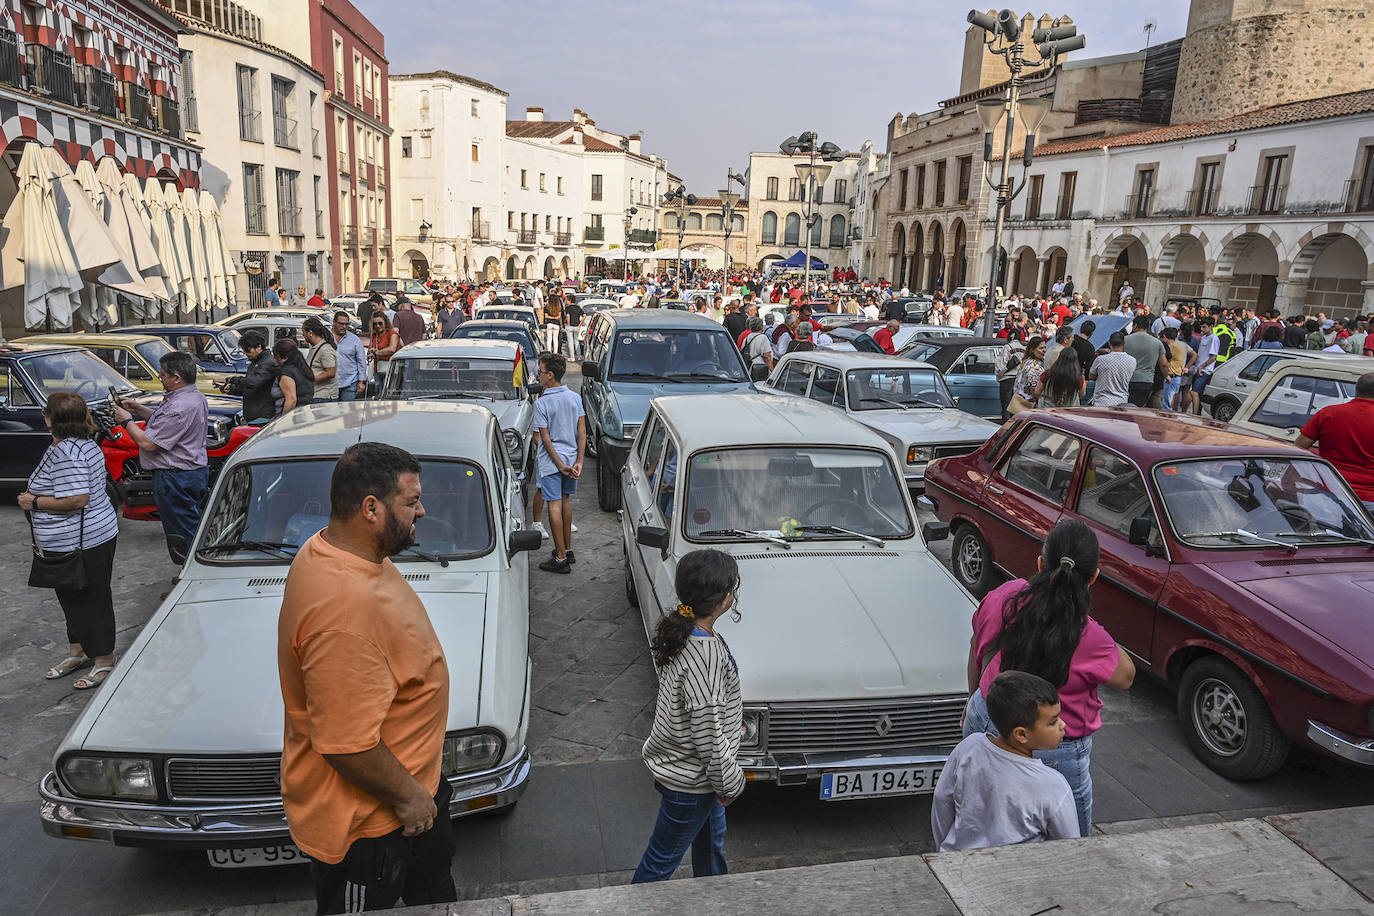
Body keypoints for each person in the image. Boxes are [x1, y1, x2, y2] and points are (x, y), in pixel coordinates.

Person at [278, 443, 457, 914]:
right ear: (370, 508)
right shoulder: (343, 607)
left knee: (435, 893)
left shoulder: (344, 550)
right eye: (411, 501)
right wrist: (411, 797)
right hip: (373, 826)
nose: (423, 509)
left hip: (411, 799)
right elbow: (344, 742)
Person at [961, 520, 1136, 837]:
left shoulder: (1004, 596)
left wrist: (974, 699)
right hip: (1053, 748)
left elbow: (977, 647)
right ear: (1093, 577)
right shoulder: (1088, 634)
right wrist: (1082, 616)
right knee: (1070, 845)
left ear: (1040, 563)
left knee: (982, 813)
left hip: (985, 716)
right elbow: (1126, 677)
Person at [632, 550, 745, 883]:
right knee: (658, 865)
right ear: (724, 599)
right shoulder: (704, 655)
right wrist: (731, 783)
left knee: (711, 846)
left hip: (696, 777)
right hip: (694, 784)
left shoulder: (684, 632)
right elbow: (708, 734)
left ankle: (713, 900)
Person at [20, 392, 121, 689]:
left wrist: (33, 502)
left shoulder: (69, 453)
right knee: (72, 597)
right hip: (81, 537)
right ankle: (77, 652)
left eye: (46, 412)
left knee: (92, 599)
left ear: (52, 420)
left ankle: (103, 659)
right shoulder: (77, 444)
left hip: (84, 541)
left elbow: (77, 499)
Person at [932, 671, 1079, 851]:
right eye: (1053, 722)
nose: (1063, 725)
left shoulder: (970, 745)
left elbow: (941, 800)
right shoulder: (1053, 785)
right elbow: (1070, 847)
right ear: (1021, 734)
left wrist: (945, 854)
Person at [112, 351, 210, 564]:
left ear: (177, 378)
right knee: (191, 525)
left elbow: (149, 443)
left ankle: (191, 574)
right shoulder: (193, 396)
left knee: (183, 532)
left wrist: (126, 421)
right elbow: (163, 423)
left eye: (163, 374)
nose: (160, 377)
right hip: (190, 473)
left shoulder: (179, 406)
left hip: (176, 478)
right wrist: (139, 409)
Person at [533, 353, 585, 574]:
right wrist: (579, 461)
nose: (539, 375)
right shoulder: (574, 398)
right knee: (565, 503)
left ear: (550, 375)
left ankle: (560, 557)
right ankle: (568, 549)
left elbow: (543, 439)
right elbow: (581, 431)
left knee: (553, 506)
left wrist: (557, 463)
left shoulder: (542, 402)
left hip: (551, 461)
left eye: (541, 371)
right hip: (572, 459)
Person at [1296, 372, 1374, 515]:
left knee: (1326, 536)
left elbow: (1299, 448)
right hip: (1369, 499)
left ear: (1357, 390)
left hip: (1328, 492)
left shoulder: (1328, 413)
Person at [218, 330, 278, 423]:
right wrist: (231, 390)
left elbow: (254, 382)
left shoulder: (268, 362)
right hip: (253, 415)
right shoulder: (255, 362)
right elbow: (248, 387)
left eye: (247, 350)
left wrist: (232, 380)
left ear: (259, 347)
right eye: (243, 350)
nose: (245, 353)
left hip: (263, 416)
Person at [1123, 316, 1167, 407]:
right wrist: (1166, 376)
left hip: (1127, 379)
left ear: (1135, 325)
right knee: (1139, 407)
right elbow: (1163, 364)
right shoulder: (1157, 342)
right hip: (1146, 380)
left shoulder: (1125, 340)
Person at [1088, 333, 1135, 408]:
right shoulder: (1132, 361)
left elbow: (1091, 376)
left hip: (1101, 402)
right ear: (1124, 343)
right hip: (1121, 403)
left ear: (1109, 343)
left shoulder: (1100, 359)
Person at [273, 338, 316, 414]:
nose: (274, 359)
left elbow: (291, 400)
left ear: (285, 358)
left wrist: (282, 420)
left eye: (276, 356)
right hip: (308, 411)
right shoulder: (303, 368)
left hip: (295, 416)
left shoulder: (286, 372)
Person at [333, 311, 368, 402]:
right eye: (341, 324)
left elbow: (361, 361)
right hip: (331, 383)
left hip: (350, 382)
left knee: (348, 413)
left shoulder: (354, 339)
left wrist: (361, 381)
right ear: (334, 323)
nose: (344, 327)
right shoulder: (327, 337)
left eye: (346, 324)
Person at [303, 317, 339, 402]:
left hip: (324, 396)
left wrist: (310, 379)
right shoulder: (315, 347)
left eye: (304, 332)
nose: (303, 335)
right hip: (316, 394)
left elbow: (330, 373)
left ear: (310, 333)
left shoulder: (325, 349)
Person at [1160, 327, 1195, 411]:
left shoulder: (1170, 346)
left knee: (1166, 405)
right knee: (1173, 403)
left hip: (1171, 377)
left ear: (1164, 337)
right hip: (1177, 376)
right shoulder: (1180, 345)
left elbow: (1164, 362)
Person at [1011, 336, 1046, 412]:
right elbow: (1033, 389)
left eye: (1045, 348)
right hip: (1029, 406)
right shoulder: (1033, 367)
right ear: (1032, 350)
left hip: (1019, 402)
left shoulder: (1026, 362)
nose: (1044, 350)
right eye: (1041, 348)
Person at [368, 313, 402, 389]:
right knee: (378, 392)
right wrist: (370, 354)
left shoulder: (392, 334)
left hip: (391, 369)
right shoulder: (374, 336)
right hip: (377, 369)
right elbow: (370, 350)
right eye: (375, 324)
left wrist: (376, 352)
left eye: (380, 323)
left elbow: (392, 349)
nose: (378, 326)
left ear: (385, 322)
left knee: (388, 392)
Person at [741, 316, 774, 380]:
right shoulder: (763, 338)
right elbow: (767, 357)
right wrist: (773, 371)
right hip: (760, 370)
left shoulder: (746, 338)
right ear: (761, 326)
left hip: (749, 369)